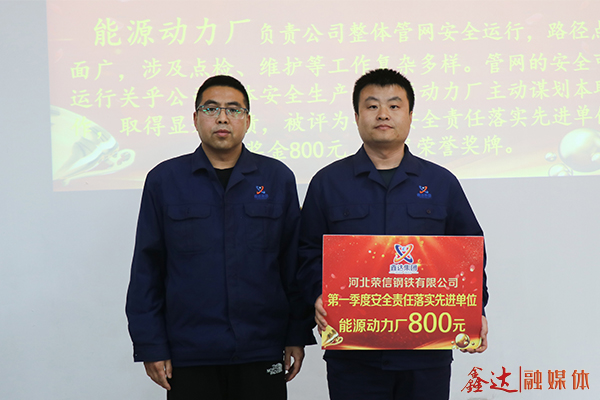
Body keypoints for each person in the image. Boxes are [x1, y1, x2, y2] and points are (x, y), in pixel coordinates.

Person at [298, 69, 489, 400]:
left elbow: (470, 253)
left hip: (425, 353)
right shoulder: (328, 183)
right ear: (357, 116)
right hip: (354, 354)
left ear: (410, 115)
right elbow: (306, 252)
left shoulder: (441, 182)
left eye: (394, 106)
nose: (383, 114)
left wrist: (475, 309)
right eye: (372, 106)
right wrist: (317, 294)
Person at [126, 75, 315, 400]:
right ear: (195, 118)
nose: (223, 118)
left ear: (247, 120)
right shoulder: (165, 180)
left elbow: (292, 265)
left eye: (234, 109)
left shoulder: (276, 178)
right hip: (190, 351)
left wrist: (296, 334)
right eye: (211, 108)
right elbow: (147, 269)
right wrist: (150, 344)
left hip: (261, 346)